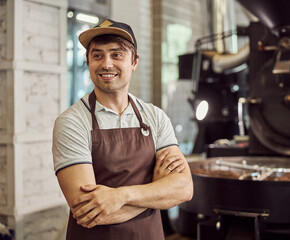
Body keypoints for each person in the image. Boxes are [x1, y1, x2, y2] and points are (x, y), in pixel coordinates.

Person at [52, 19, 193, 240]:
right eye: (97, 55)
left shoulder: (154, 117)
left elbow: (183, 188)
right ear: (88, 61)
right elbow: (87, 212)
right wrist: (156, 190)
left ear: (134, 61)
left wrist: (120, 196)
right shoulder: (72, 122)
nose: (106, 64)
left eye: (117, 55)